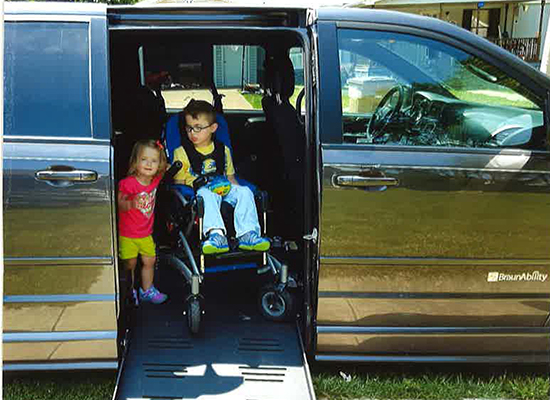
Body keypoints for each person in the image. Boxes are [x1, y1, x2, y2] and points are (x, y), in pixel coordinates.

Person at [173, 99, 270, 255]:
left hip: (223, 188)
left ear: (213, 128)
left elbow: (231, 178)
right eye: (189, 128)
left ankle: (247, 234)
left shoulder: (222, 150)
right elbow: (179, 185)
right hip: (199, 193)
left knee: (244, 191)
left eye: (198, 128)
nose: (193, 133)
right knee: (206, 194)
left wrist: (237, 191)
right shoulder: (181, 152)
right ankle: (216, 235)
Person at [118, 139, 168, 305]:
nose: (148, 164)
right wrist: (131, 203)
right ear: (135, 161)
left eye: (154, 161)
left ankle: (147, 290)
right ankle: (129, 291)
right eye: (144, 160)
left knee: (149, 261)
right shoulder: (128, 184)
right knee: (130, 263)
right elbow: (119, 203)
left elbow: (167, 170)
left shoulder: (155, 180)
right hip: (128, 234)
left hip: (146, 233)